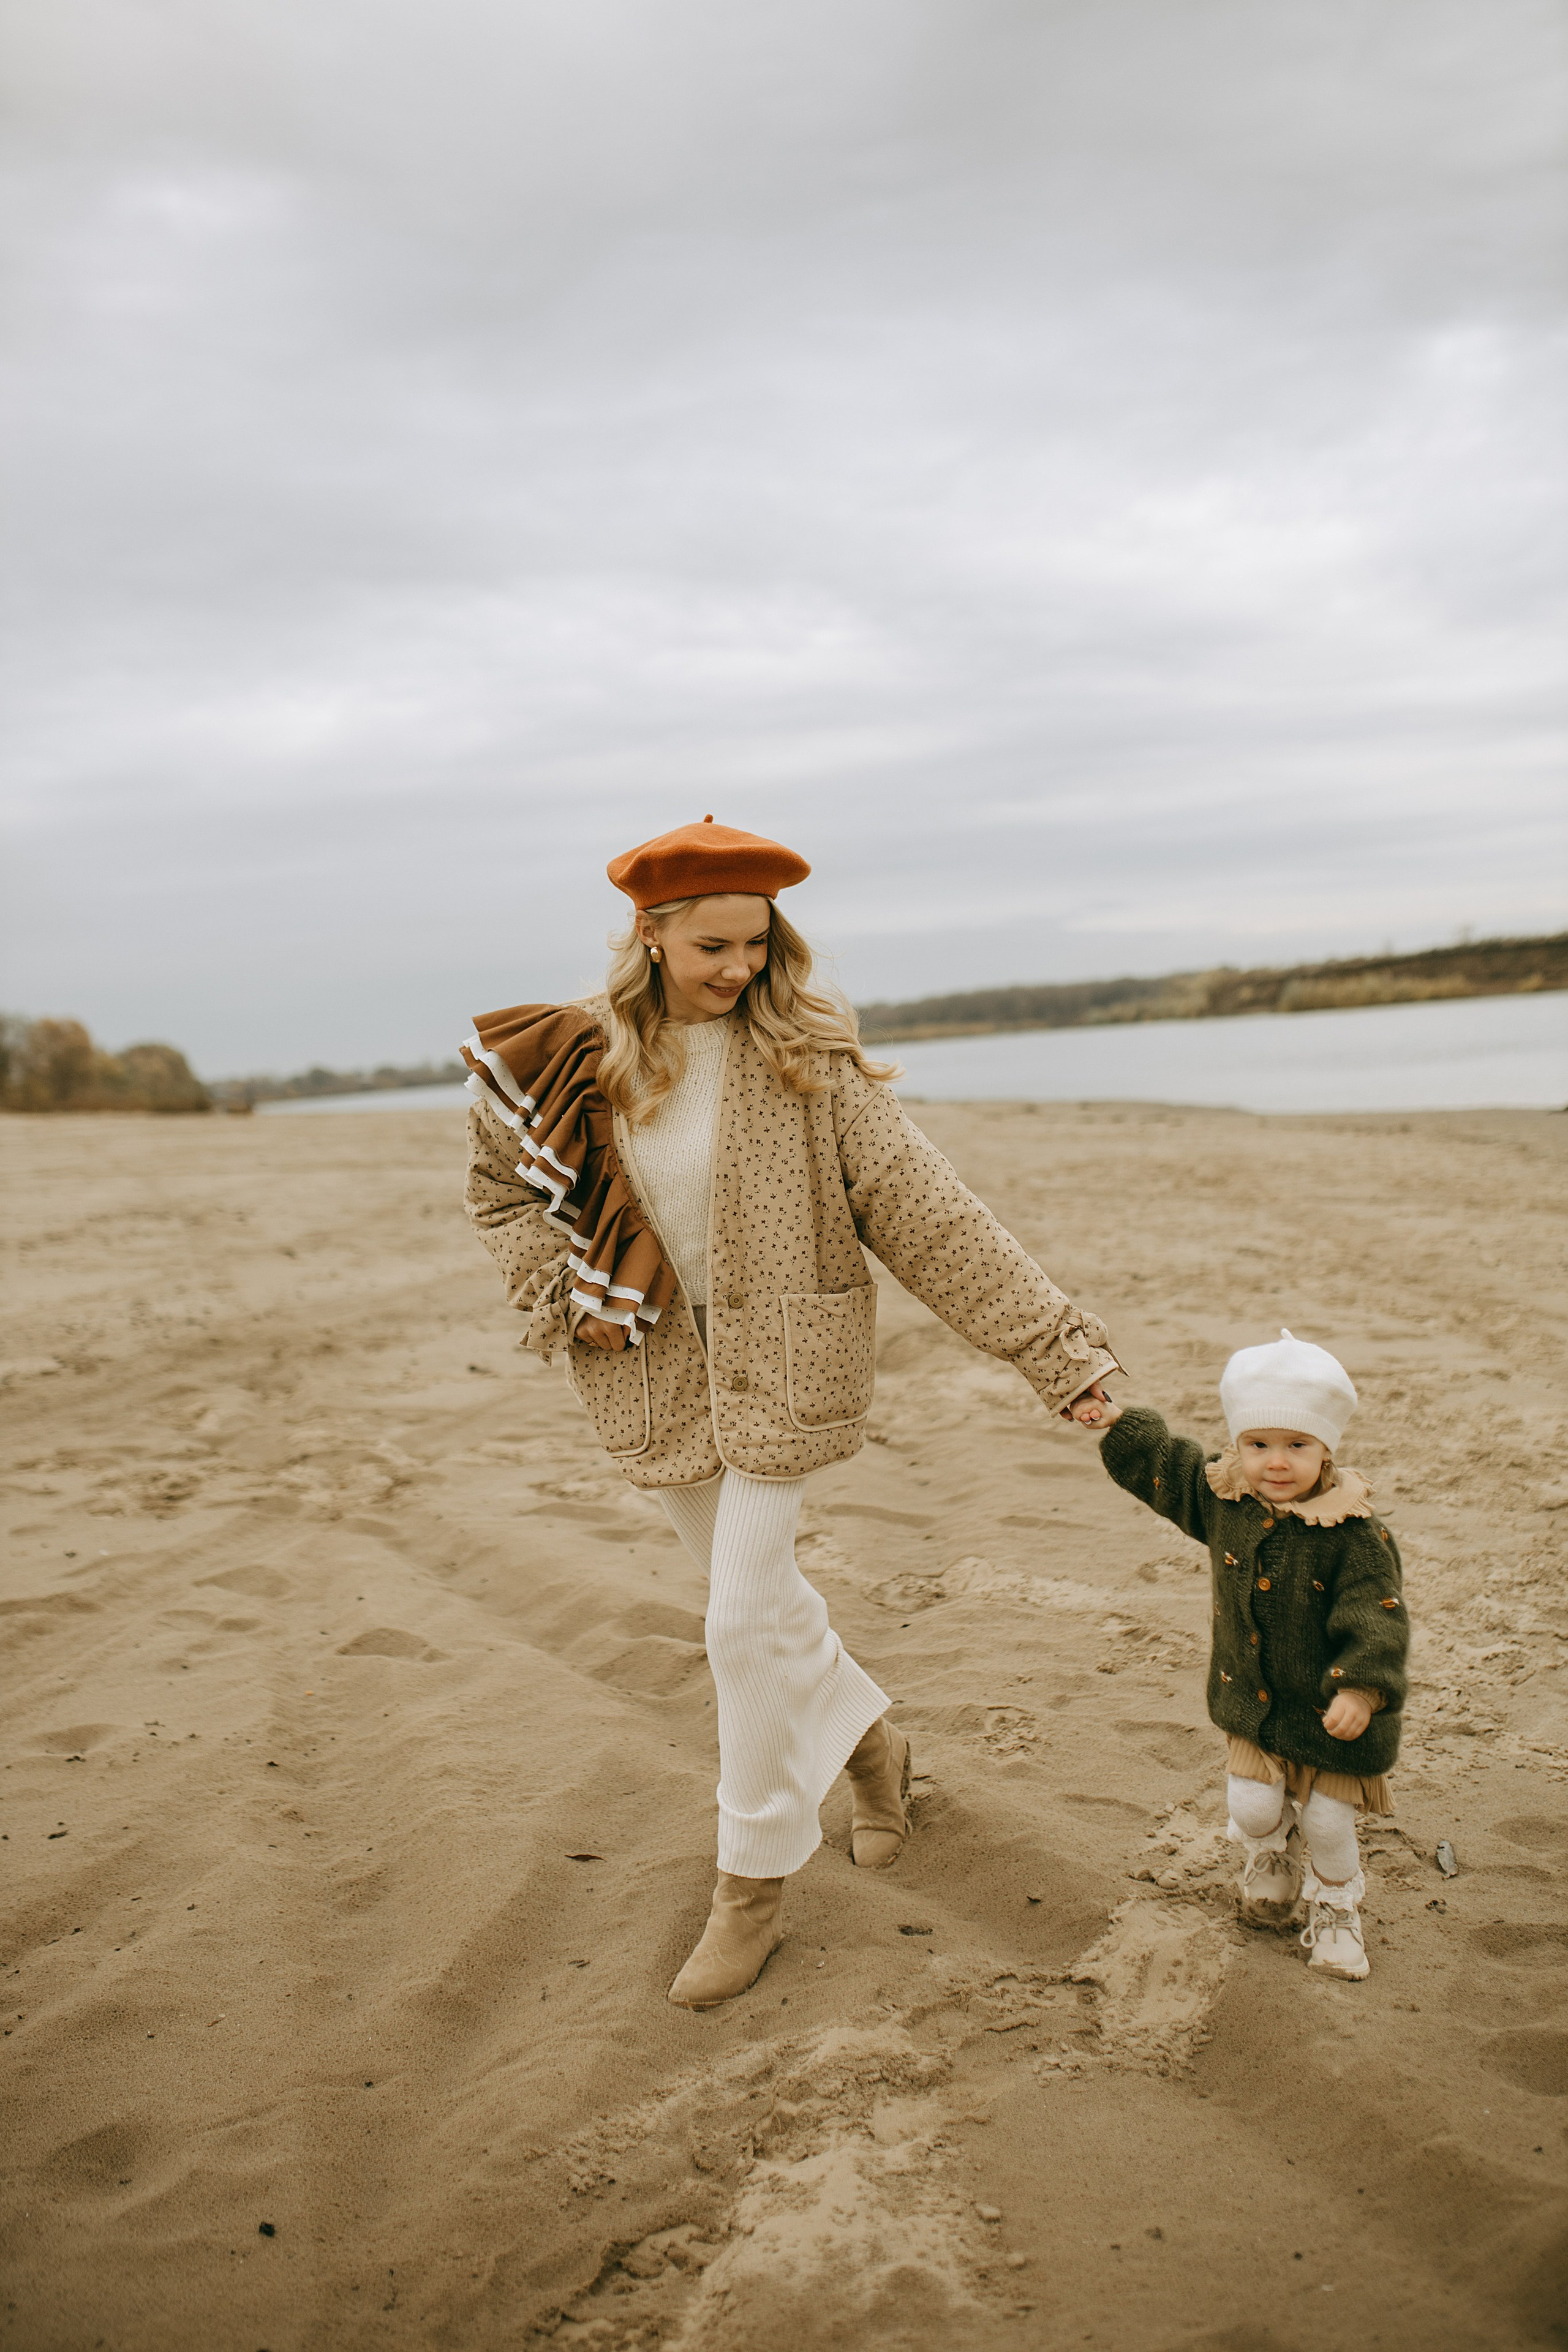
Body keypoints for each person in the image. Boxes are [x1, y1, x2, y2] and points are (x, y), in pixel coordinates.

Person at [461, 815, 1118, 2008]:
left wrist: (1054, 1350)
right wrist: (560, 1287)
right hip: (648, 1369)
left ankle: (750, 1885)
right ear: (648, 935)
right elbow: (500, 1189)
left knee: (734, 1623)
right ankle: (876, 1751)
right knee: (761, 1610)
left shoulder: (805, 1060)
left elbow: (927, 1211)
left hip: (787, 1366)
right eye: (712, 946)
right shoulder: (568, 1062)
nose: (738, 969)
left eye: (754, 946)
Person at [1071, 1330, 1408, 1981]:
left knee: (1333, 1828)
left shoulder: (1356, 1535)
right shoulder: (1225, 1502)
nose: (1275, 1463)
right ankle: (1271, 1854)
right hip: (1253, 1703)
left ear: (1326, 1447)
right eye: (1258, 1445)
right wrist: (1116, 1418)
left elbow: (1377, 1618)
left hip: (1335, 1717)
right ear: (1237, 1446)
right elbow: (1166, 1469)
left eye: (1296, 1446)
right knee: (1252, 1808)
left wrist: (1360, 1690)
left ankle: (1337, 1907)